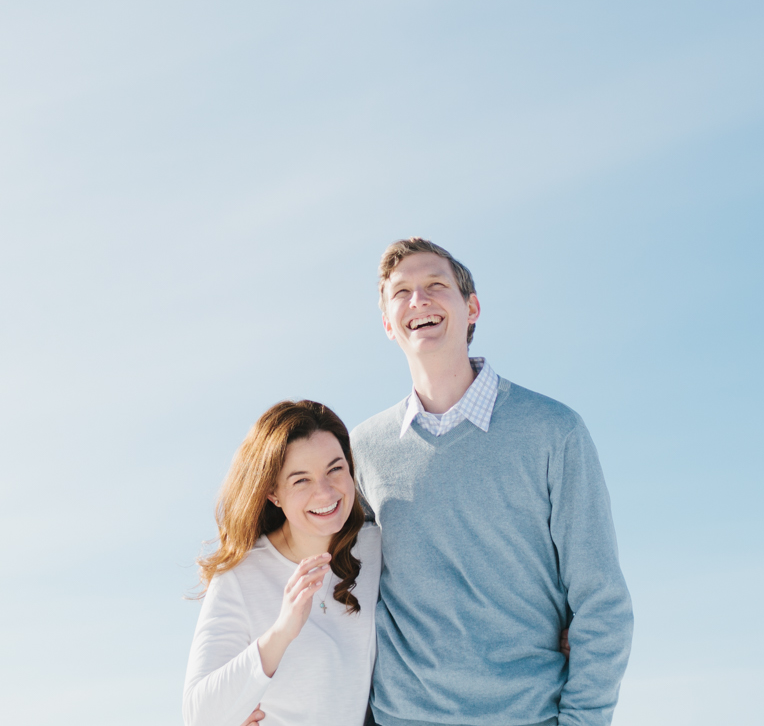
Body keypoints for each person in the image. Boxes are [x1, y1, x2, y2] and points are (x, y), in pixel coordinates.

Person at [352, 238, 632, 726]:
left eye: (436, 285)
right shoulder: (362, 450)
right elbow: (333, 590)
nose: (419, 300)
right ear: (387, 325)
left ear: (472, 307)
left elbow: (601, 602)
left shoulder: (554, 431)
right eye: (402, 292)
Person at [184, 400, 383, 726]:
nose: (325, 492)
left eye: (335, 469)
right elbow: (199, 716)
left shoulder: (377, 548)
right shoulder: (241, 577)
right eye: (300, 480)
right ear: (272, 493)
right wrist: (282, 632)